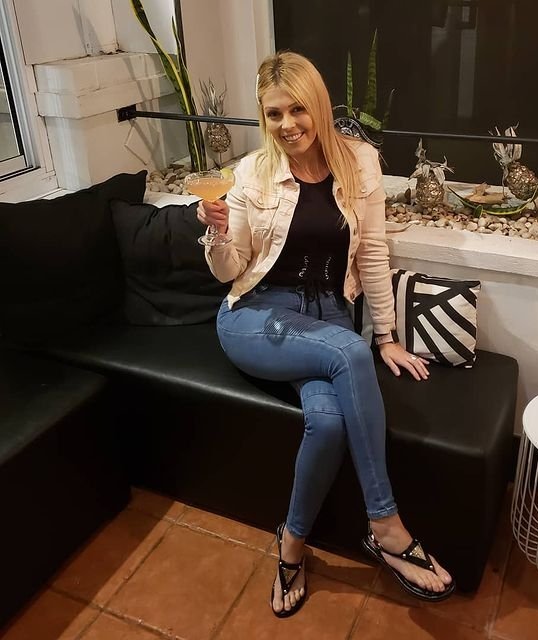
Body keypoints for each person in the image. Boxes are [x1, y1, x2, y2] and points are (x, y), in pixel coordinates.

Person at [197, 51, 454, 618]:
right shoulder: (250, 173)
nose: (287, 125)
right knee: (346, 350)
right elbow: (229, 270)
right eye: (273, 114)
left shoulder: (360, 162)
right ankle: (386, 525)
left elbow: (374, 252)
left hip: (329, 315)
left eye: (297, 109)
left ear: (318, 105)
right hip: (255, 316)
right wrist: (216, 235)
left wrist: (386, 335)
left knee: (330, 420)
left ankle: (291, 543)